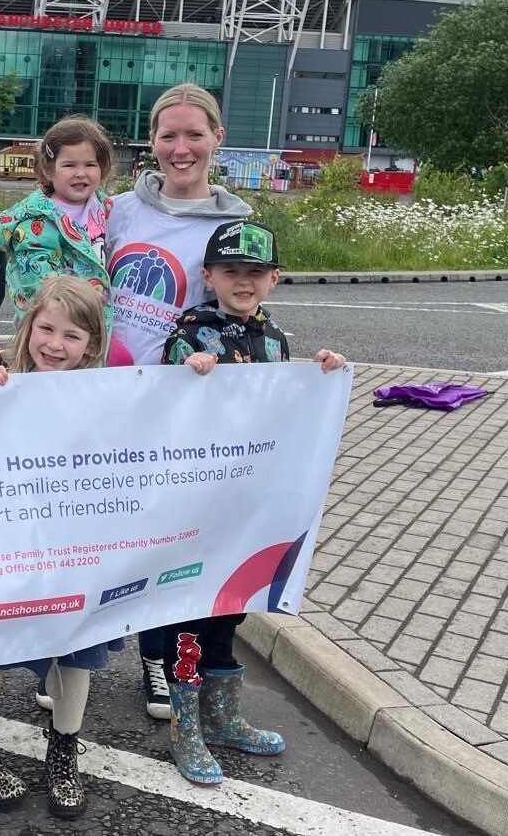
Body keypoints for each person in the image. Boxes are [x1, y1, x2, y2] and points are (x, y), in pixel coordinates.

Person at [160, 218, 346, 784]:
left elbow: (285, 410)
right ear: (209, 276)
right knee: (189, 617)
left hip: (247, 510)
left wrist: (323, 375)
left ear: (274, 279)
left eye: (255, 273)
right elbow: (158, 412)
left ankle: (223, 717)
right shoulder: (189, 333)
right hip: (196, 509)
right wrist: (184, 372)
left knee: (230, 611)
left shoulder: (274, 339)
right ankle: (185, 727)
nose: (243, 282)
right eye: (231, 271)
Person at [104, 82, 253, 720]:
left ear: (217, 139)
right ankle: (70, 651)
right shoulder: (118, 212)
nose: (181, 147)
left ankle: (159, 656)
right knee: (99, 528)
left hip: (179, 408)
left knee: (168, 540)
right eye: (169, 134)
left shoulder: (235, 226)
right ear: (153, 139)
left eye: (195, 134)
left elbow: (246, 311)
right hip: (106, 398)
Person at [0, 275, 109, 820]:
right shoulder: (2, 377)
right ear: (27, 325)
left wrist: (195, 376)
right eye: (46, 328)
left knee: (78, 645)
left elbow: (158, 425)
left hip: (75, 550)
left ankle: (64, 748)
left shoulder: (108, 393)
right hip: (11, 546)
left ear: (91, 345)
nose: (55, 344)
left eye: (72, 335)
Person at [0, 115, 132, 367]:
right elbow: (36, 278)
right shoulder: (38, 221)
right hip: (54, 331)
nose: (81, 173)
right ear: (48, 169)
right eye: (69, 165)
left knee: (121, 361)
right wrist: (84, 296)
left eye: (90, 164)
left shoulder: (103, 208)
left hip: (89, 327)